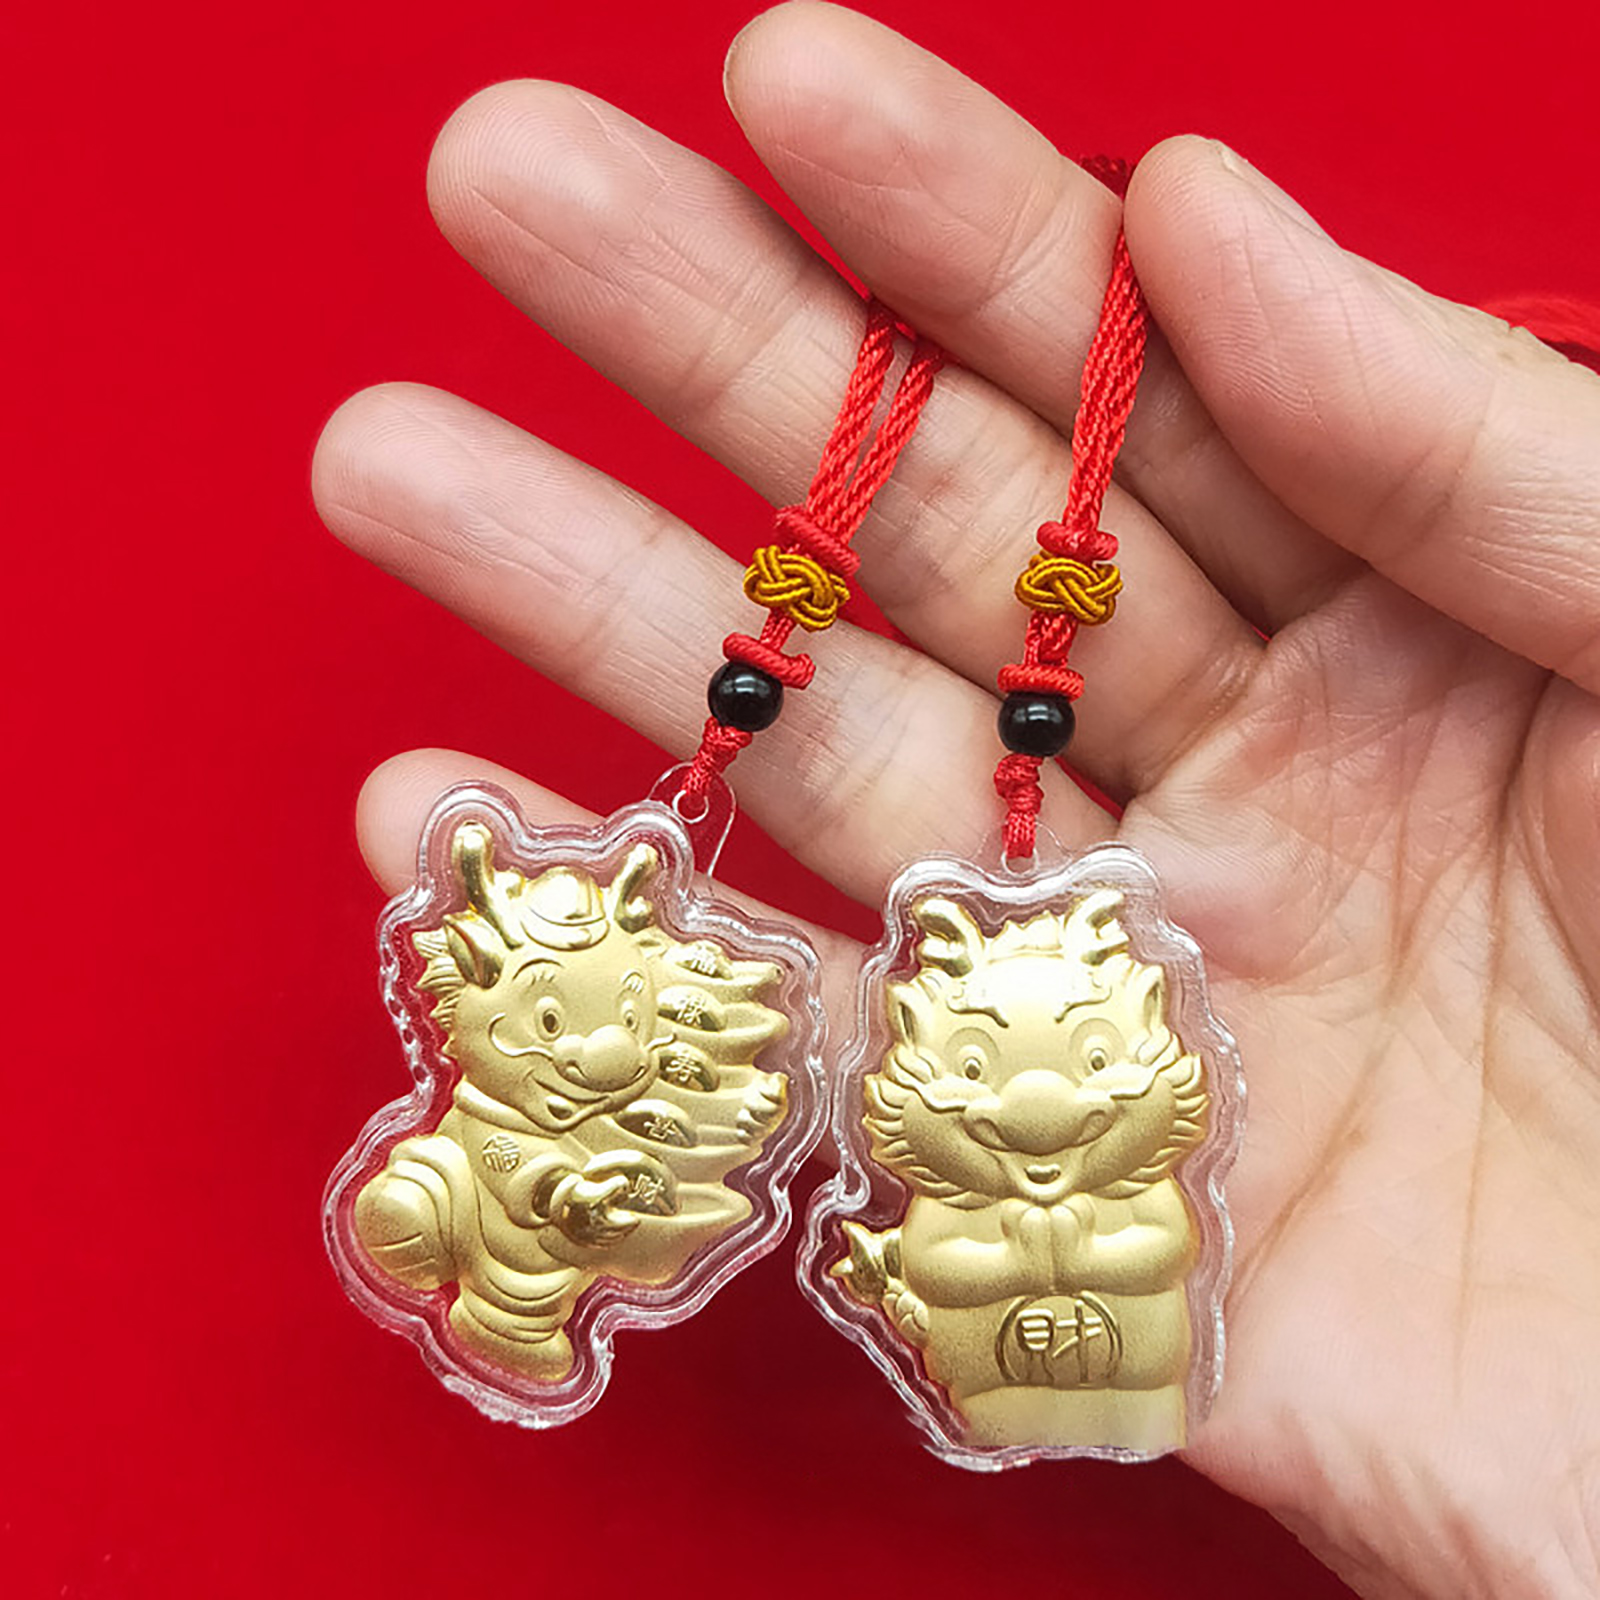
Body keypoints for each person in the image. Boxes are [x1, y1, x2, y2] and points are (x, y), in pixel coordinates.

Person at [311, 5, 1600, 1596]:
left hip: (1080, 1312)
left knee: (1105, 1268)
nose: (1039, 1112)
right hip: (612, 1223)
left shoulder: (1119, 1193)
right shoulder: (656, 1093)